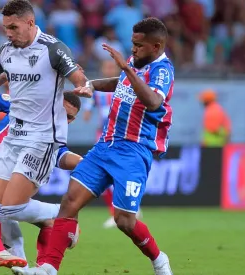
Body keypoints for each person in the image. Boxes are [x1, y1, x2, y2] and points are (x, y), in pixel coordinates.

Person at [12, 17, 175, 275]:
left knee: (125, 222)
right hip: (106, 146)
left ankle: (158, 259)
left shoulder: (162, 70)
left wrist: (127, 68)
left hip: (134, 151)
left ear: (156, 47)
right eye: (132, 44)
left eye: (139, 45)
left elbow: (154, 102)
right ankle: (48, 268)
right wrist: (92, 84)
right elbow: (120, 82)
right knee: (69, 202)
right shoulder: (136, 62)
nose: (133, 49)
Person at [0, 0, 91, 267]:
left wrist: (82, 85)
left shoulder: (52, 48)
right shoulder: (5, 52)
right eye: (5, 28)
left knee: (9, 208)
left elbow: (76, 73)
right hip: (13, 138)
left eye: (13, 27)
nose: (8, 33)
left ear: (30, 23)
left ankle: (61, 214)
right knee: (0, 208)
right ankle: (22, 254)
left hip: (42, 139)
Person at [0, 74, 83, 269]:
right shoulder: (26, 104)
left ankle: (38, 269)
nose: (64, 118)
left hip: (5, 170)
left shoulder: (54, 134)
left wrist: (87, 164)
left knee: (35, 224)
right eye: (62, 111)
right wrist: (1, 76)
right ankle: (60, 213)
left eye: (69, 117)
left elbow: (61, 155)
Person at [83, 60, 143, 229]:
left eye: (111, 67)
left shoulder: (124, 87)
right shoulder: (97, 91)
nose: (109, 69)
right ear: (102, 70)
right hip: (102, 136)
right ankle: (114, 211)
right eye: (106, 67)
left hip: (123, 137)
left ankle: (129, 208)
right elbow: (87, 111)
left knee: (123, 174)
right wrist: (86, 109)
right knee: (104, 175)